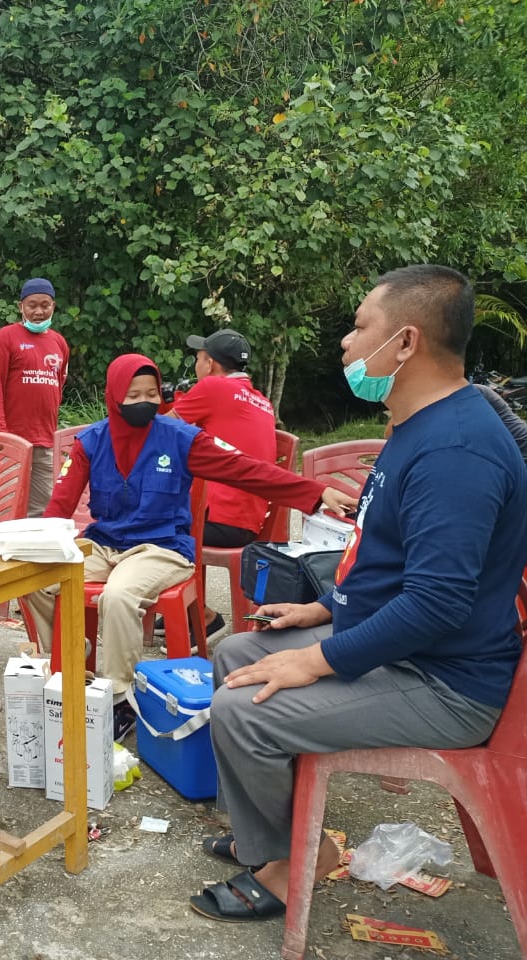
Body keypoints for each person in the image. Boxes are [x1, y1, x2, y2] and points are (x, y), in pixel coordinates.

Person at [189, 265, 527, 924]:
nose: (345, 343)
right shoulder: (418, 426)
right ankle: (268, 836)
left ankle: (291, 866)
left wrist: (316, 660)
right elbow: (389, 559)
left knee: (243, 710)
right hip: (407, 650)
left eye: (359, 327)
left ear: (404, 343)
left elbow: (436, 603)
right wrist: (322, 612)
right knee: (239, 655)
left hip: (445, 682)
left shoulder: (457, 450)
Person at [23, 353, 354, 741]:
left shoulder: (180, 438)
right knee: (37, 578)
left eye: (150, 393)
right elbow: (59, 506)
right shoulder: (91, 443)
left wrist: (315, 493)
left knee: (119, 595)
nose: (143, 401)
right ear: (114, 397)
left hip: (161, 547)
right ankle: (73, 655)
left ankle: (117, 699)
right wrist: (37, 543)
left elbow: (248, 470)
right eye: (132, 395)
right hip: (105, 543)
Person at [169, 328, 277, 636]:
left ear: (211, 364)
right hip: (249, 519)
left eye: (198, 358)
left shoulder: (214, 388)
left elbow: (160, 432)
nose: (196, 364)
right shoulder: (260, 400)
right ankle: (184, 608)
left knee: (150, 523)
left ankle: (201, 615)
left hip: (221, 520)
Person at [0, 278, 70, 516]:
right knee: (5, 507)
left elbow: (58, 385)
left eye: (45, 305)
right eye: (32, 305)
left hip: (44, 440)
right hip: (8, 439)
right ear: (21, 306)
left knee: (43, 510)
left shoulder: (59, 343)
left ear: (54, 306)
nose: (39, 311)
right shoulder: (5, 337)